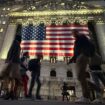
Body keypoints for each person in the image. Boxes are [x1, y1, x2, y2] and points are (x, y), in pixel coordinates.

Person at [68, 30, 95, 103]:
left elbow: (90, 45)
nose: (72, 34)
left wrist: (87, 54)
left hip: (82, 56)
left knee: (80, 75)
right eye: (72, 33)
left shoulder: (82, 37)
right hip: (79, 58)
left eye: (73, 33)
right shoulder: (77, 41)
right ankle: (94, 88)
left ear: (76, 32)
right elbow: (76, 52)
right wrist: (71, 59)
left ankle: (86, 96)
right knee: (80, 76)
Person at [0, 35, 22, 100]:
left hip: (11, 62)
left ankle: (9, 92)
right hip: (13, 63)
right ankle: (11, 92)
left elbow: (10, 53)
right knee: (12, 78)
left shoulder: (15, 44)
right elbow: (14, 54)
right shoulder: (17, 44)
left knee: (8, 77)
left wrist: (8, 61)